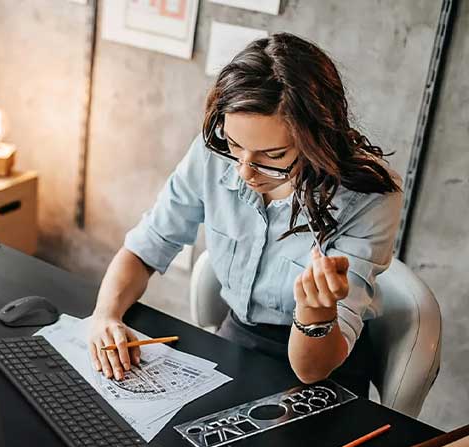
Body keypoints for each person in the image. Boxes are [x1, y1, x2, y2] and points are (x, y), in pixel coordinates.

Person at [87, 33, 401, 397]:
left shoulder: (369, 196)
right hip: (238, 339)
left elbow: (311, 370)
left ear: (317, 139)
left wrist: (315, 312)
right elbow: (148, 245)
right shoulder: (214, 152)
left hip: (324, 368)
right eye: (235, 145)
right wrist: (105, 315)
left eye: (273, 155)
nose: (244, 171)